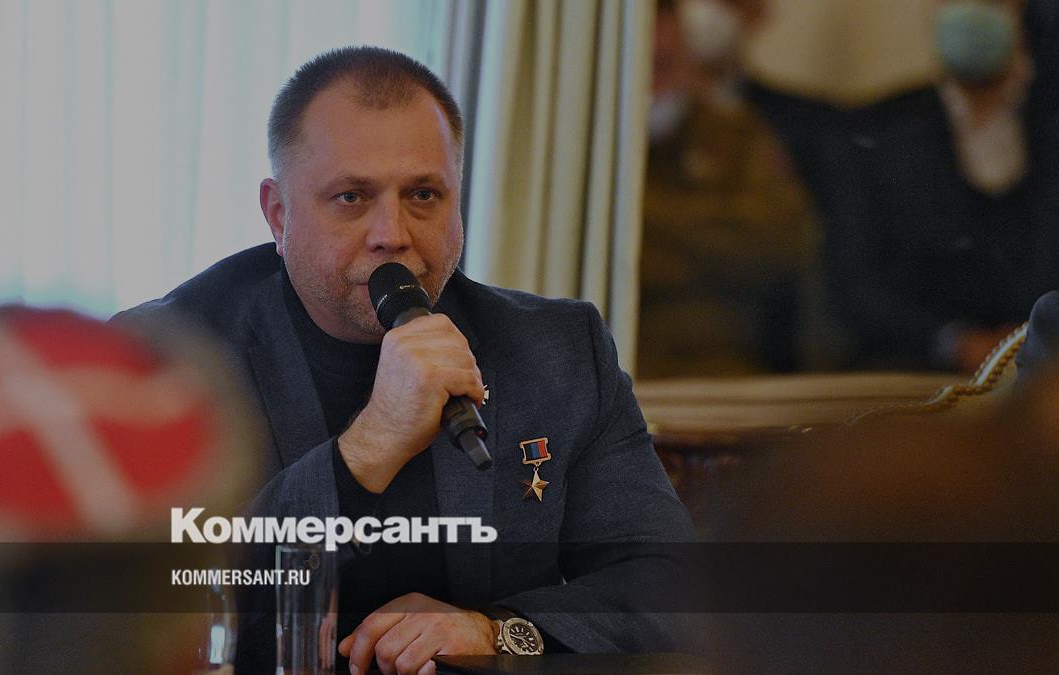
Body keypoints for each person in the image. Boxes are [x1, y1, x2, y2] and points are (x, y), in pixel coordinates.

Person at [116, 47, 695, 674]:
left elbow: (674, 589)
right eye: (351, 197)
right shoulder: (161, 361)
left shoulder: (556, 350)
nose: (392, 233)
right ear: (278, 215)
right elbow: (143, 605)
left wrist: (496, 632)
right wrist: (365, 451)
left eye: (423, 194)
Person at [746, 0, 1059, 372]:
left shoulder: (1046, 126)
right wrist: (954, 344)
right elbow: (855, 286)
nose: (973, 9)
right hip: (911, 377)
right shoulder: (878, 133)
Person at [637, 0, 818, 378]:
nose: (656, 38)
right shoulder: (581, 138)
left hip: (723, 366)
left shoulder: (737, 135)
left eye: (666, 17)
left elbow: (780, 245)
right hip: (617, 363)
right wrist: (709, 228)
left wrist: (644, 224)